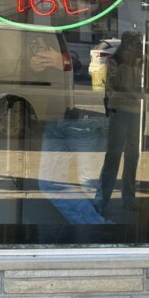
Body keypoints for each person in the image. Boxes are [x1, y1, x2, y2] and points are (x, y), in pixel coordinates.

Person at [29, 38, 107, 224]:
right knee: (51, 182)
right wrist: (33, 67)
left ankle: (97, 233)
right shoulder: (46, 26)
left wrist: (67, 63)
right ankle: (97, 229)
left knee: (89, 184)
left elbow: (104, 72)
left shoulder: (95, 25)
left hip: (85, 116)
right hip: (55, 115)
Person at [96, 31, 149, 222]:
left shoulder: (141, 62)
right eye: (133, 46)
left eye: (138, 46)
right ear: (126, 46)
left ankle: (128, 198)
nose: (136, 49)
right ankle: (102, 199)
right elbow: (115, 87)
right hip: (119, 112)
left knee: (132, 156)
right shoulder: (114, 61)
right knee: (113, 156)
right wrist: (136, 94)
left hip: (138, 114)